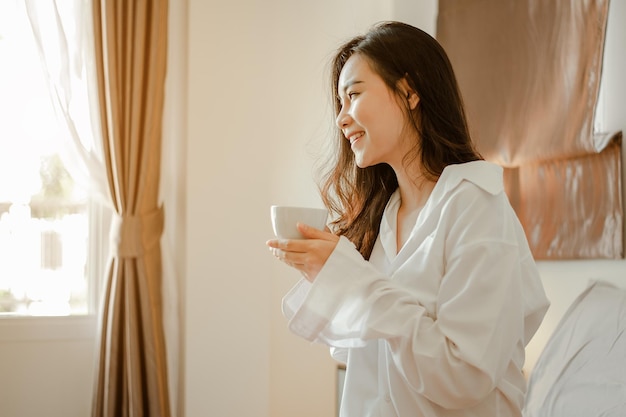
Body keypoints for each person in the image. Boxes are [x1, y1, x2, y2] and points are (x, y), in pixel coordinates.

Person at [266, 21, 550, 417]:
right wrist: (330, 275)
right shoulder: (383, 219)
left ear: (410, 91)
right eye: (340, 103)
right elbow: (363, 349)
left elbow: (463, 376)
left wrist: (352, 280)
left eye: (354, 95)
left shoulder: (477, 207)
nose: (341, 118)